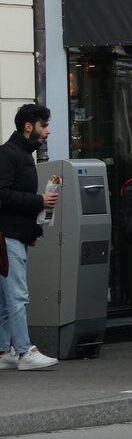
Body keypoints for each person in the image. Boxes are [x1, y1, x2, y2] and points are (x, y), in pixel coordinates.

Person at [0, 104, 61, 371]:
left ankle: (4, 352)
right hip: (9, 236)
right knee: (16, 295)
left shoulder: (19, 154)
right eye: (43, 125)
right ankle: (25, 351)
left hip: (13, 235)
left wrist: (33, 231)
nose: (47, 131)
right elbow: (3, 196)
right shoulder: (12, 155)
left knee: (6, 298)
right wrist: (40, 201)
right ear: (29, 126)